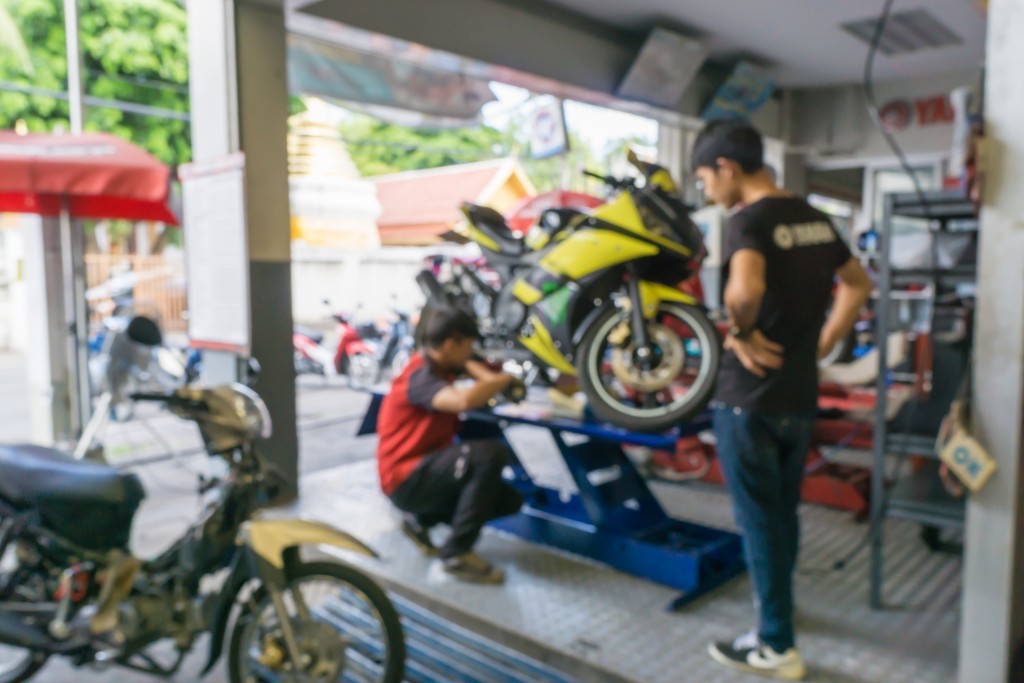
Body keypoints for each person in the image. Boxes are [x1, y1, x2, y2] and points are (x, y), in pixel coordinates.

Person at [692, 120, 873, 681]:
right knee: (782, 515)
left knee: (758, 521)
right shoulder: (816, 217)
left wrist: (739, 331)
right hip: (798, 394)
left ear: (727, 167)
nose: (705, 191)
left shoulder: (748, 219)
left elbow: (743, 291)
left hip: (749, 399)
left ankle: (775, 643)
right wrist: (826, 339)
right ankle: (779, 613)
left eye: (704, 178)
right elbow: (858, 283)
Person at [376, 306, 524, 584]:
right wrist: (501, 381)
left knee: (508, 499)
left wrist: (470, 364)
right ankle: (456, 554)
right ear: (449, 344)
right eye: (467, 346)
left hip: (424, 472)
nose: (470, 353)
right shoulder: (421, 375)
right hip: (404, 478)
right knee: (489, 454)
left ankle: (420, 521)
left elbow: (475, 371)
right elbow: (462, 401)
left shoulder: (443, 367)